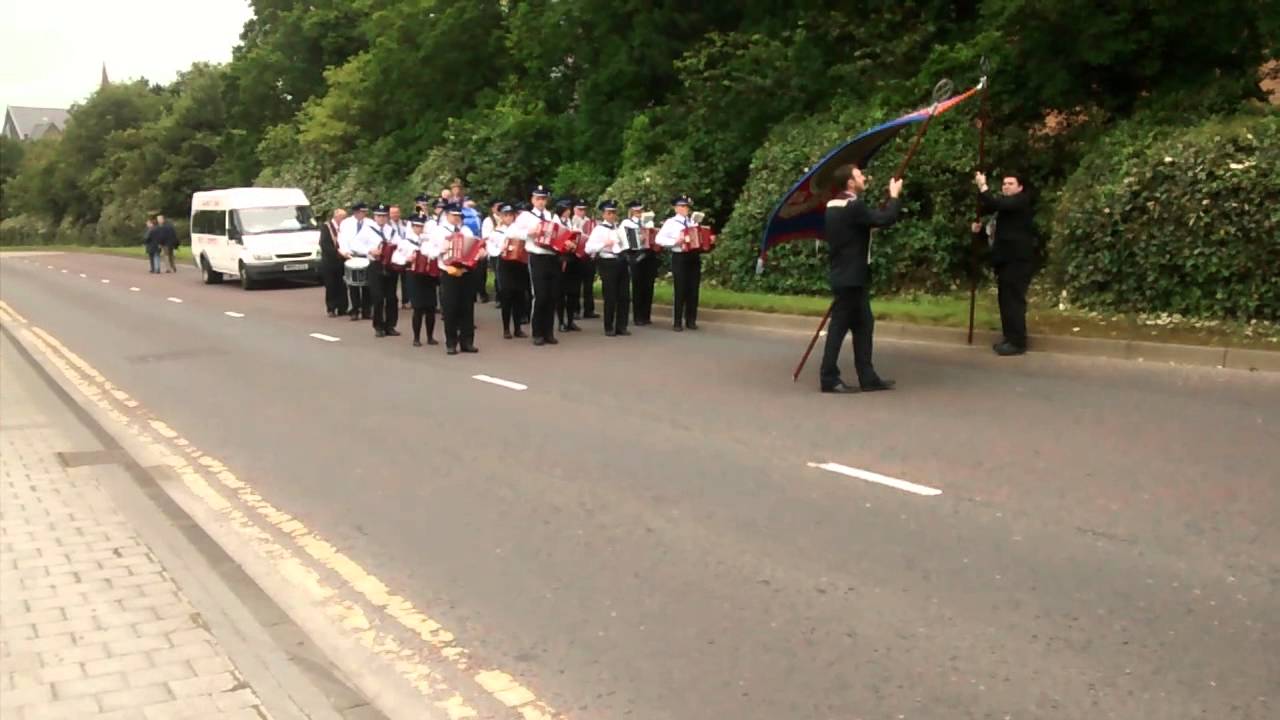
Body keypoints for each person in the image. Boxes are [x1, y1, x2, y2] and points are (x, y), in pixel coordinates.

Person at [818, 164, 901, 394]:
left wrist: (867, 228)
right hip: (851, 277)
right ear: (850, 183)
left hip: (847, 275)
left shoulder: (833, 205)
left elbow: (855, 229)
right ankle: (829, 378)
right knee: (838, 328)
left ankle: (868, 376)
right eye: (859, 175)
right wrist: (894, 196)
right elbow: (886, 219)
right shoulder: (854, 206)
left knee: (864, 324)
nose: (864, 177)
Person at [974, 171, 1037, 356]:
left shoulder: (1020, 202)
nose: (1006, 186)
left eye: (1010, 183)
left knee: (1014, 301)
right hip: (1005, 260)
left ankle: (1018, 342)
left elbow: (995, 202)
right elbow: (989, 208)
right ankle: (1009, 338)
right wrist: (978, 229)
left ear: (1020, 187)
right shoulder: (1004, 207)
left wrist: (983, 186)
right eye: (1004, 184)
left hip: (1018, 261)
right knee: (1005, 300)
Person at [506, 184, 567, 346]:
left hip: (552, 258)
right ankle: (537, 332)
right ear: (533, 200)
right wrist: (529, 233)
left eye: (543, 199)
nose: (541, 202)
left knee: (552, 296)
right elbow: (511, 232)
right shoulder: (526, 216)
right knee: (540, 296)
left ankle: (548, 332)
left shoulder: (551, 216)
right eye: (538, 199)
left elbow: (560, 234)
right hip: (537, 257)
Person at [426, 203, 483, 355]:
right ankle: (451, 343)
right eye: (454, 215)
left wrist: (480, 252)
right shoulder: (438, 231)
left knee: (467, 307)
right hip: (449, 271)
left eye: (459, 216)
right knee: (450, 308)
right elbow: (427, 250)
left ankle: (467, 342)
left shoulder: (466, 230)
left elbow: (475, 246)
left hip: (465, 271)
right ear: (447, 215)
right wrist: (441, 249)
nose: (456, 218)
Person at [656, 195, 704, 331]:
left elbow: (699, 236)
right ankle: (677, 321)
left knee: (693, 289)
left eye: (686, 206)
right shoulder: (671, 223)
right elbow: (659, 239)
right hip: (680, 256)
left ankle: (691, 320)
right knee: (680, 289)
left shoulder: (692, 222)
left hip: (693, 256)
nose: (685, 209)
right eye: (682, 206)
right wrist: (674, 242)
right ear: (676, 208)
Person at [585, 200, 630, 337]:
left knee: (624, 296)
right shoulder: (599, 229)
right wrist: (603, 244)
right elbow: (588, 248)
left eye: (614, 213)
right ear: (604, 214)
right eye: (609, 213)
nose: (612, 215)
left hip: (621, 260)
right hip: (607, 261)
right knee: (610, 295)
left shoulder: (619, 228)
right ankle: (609, 326)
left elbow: (625, 244)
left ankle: (621, 326)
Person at [366, 204, 406, 338]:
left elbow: (400, 244)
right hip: (375, 264)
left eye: (383, 216)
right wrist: (370, 250)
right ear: (374, 217)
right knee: (377, 297)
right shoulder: (368, 229)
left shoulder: (392, 230)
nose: (381, 218)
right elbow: (355, 244)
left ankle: (390, 325)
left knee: (391, 297)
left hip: (390, 265)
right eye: (379, 216)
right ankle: (378, 326)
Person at [404, 213, 439, 346]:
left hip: (428, 275)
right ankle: (416, 337)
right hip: (414, 276)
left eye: (421, 226)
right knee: (418, 308)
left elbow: (434, 254)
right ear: (412, 227)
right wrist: (408, 259)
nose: (419, 228)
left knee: (431, 307)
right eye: (416, 226)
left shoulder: (428, 241)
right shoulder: (406, 241)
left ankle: (430, 336)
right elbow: (397, 258)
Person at [621, 201, 657, 325]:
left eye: (640, 211)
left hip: (649, 254)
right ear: (631, 211)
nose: (639, 213)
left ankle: (646, 315)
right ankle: (638, 316)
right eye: (636, 211)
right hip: (636, 254)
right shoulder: (627, 223)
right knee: (638, 285)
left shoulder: (648, 222)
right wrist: (638, 237)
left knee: (649, 285)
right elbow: (625, 239)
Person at [337, 202, 375, 320]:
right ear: (356, 212)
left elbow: (373, 239)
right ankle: (354, 310)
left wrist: (371, 252)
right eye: (361, 212)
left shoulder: (370, 223)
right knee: (353, 285)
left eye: (364, 212)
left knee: (367, 285)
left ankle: (366, 310)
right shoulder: (346, 223)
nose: (363, 214)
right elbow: (342, 239)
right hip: (351, 255)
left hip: (365, 255)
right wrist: (345, 252)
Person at [554, 198, 583, 332]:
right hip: (560, 258)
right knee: (560, 291)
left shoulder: (570, 222)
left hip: (572, 257)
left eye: (569, 210)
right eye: (566, 210)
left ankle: (570, 320)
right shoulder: (555, 221)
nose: (568, 212)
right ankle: (561, 321)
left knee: (573, 291)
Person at [570, 199, 599, 319]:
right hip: (576, 256)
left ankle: (589, 309)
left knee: (588, 285)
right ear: (574, 210)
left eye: (584, 209)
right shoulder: (571, 221)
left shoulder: (590, 222)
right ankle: (575, 310)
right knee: (575, 285)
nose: (582, 212)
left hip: (588, 255)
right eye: (579, 209)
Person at [319, 208, 350, 317]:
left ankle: (343, 308)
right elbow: (324, 244)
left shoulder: (344, 228)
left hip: (342, 261)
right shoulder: (326, 227)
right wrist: (337, 252)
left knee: (342, 285)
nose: (344, 219)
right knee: (331, 285)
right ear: (336, 217)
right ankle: (331, 308)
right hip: (329, 261)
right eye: (343, 217)